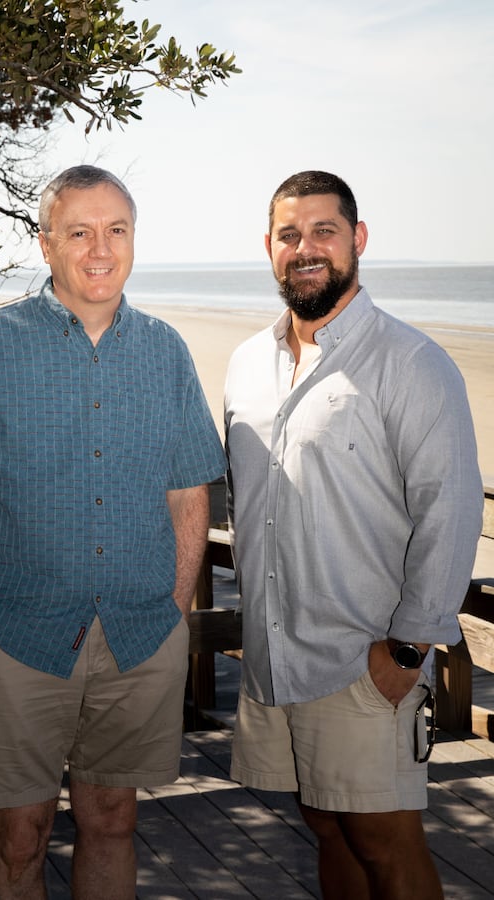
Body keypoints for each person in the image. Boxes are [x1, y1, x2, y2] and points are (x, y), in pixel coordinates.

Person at [0, 165, 225, 899]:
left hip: (141, 639)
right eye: (79, 231)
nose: (100, 248)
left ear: (134, 239)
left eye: (116, 230)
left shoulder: (166, 350)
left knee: (113, 821)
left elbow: (189, 494)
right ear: (45, 243)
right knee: (20, 836)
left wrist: (174, 612)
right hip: (18, 640)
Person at [224, 170, 483, 899]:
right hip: (276, 653)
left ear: (357, 240)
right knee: (324, 824)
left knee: (385, 844)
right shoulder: (247, 365)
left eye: (324, 231)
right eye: (289, 234)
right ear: (269, 248)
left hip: (363, 659)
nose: (306, 248)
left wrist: (407, 646)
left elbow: (453, 507)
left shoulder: (411, 362)